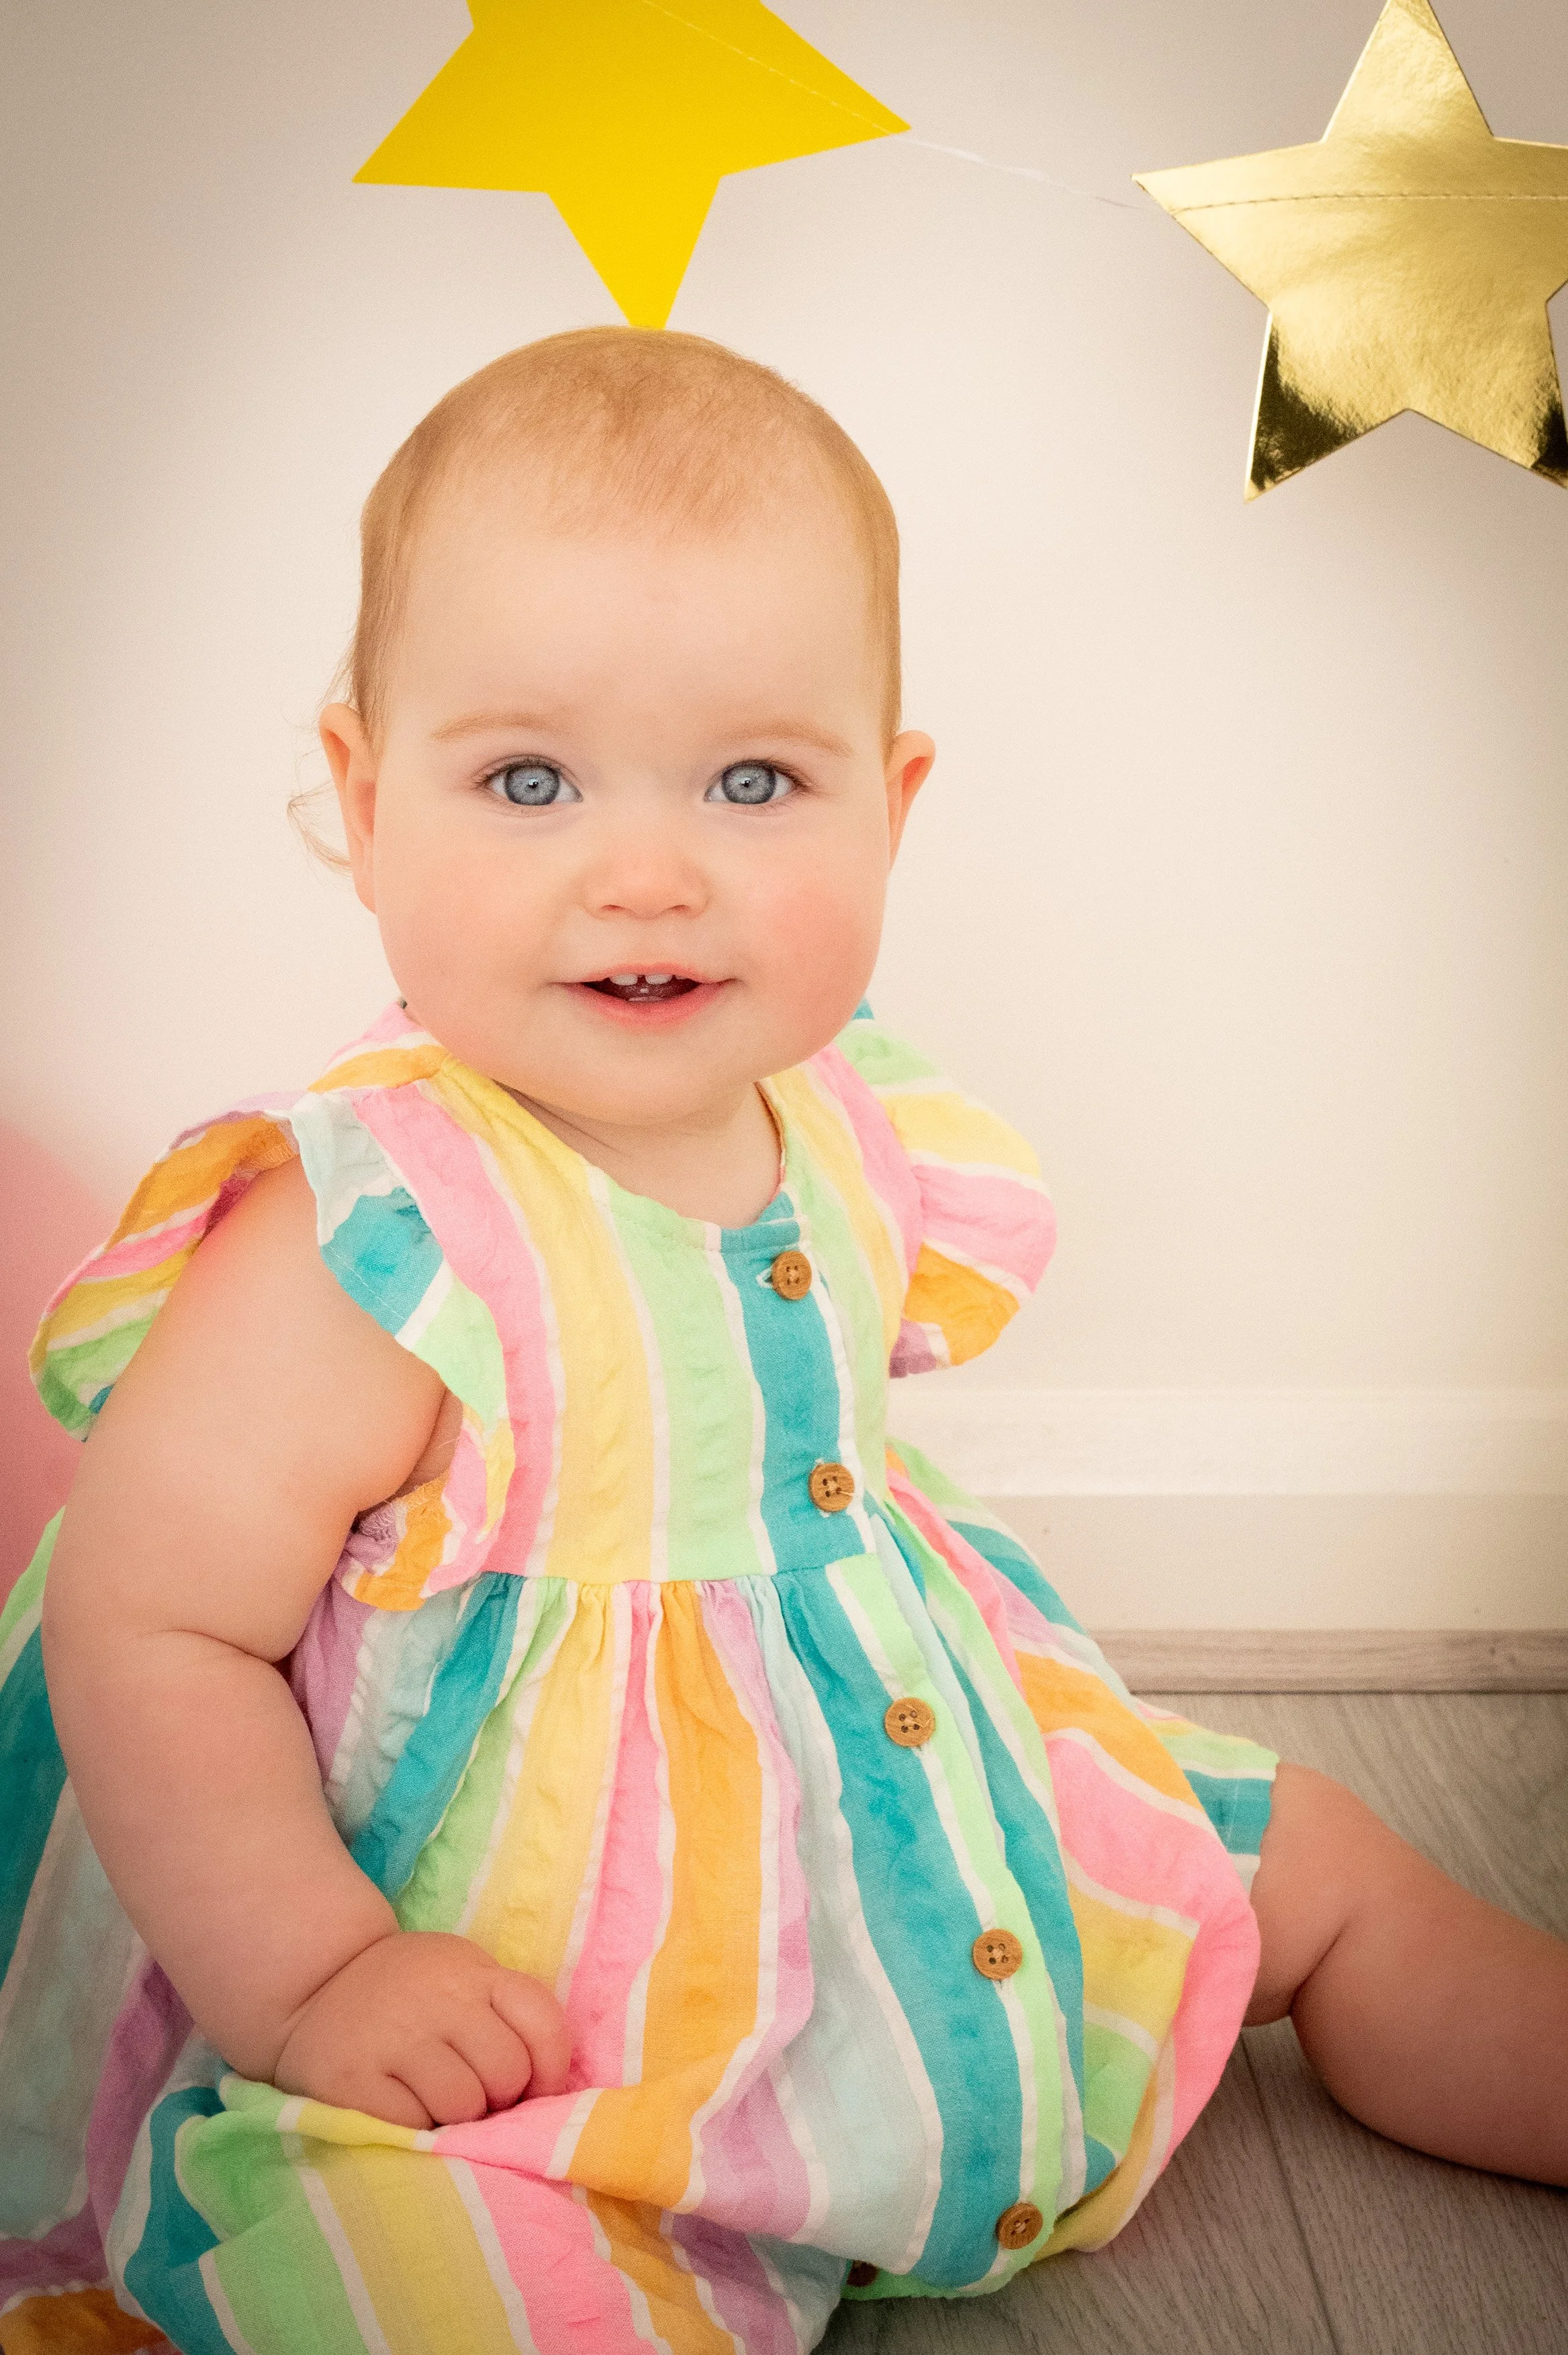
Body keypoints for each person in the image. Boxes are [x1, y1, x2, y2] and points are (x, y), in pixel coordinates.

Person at [1, 328, 1563, 2355]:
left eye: (754, 780)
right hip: (499, 1971)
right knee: (449, 2283)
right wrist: (314, 1981)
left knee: (1312, 1863)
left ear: (891, 804)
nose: (646, 869)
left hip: (867, 1804)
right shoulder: (373, 1235)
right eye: (528, 778)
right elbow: (154, 1626)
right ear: (365, 802)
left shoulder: (847, 1111)